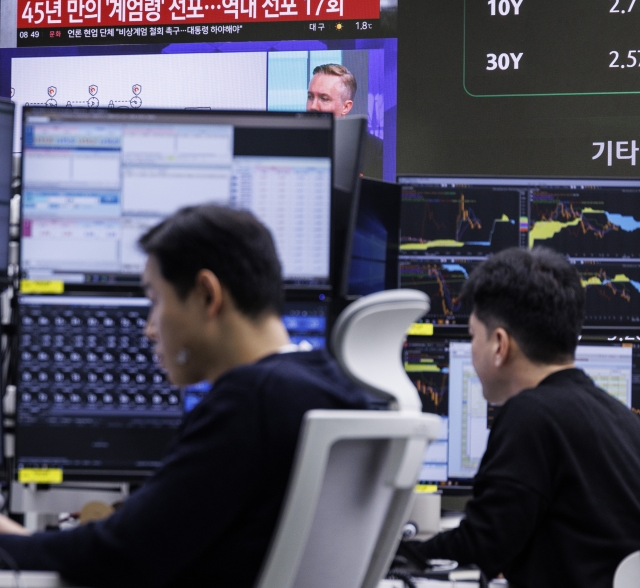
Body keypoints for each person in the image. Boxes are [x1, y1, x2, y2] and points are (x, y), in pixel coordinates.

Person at [0, 205, 368, 587]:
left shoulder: (250, 402)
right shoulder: (328, 387)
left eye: (156, 300)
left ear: (207, 295)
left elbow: (119, 555)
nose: (149, 329)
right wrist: (23, 541)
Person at [417, 247, 640, 588]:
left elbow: (482, 543)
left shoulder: (530, 415)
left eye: (473, 336)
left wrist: (398, 552)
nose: (471, 349)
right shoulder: (620, 418)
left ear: (499, 345)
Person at [307, 63, 383, 178]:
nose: (313, 106)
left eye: (324, 98)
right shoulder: (289, 143)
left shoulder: (374, 150)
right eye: (310, 97)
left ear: (346, 107)